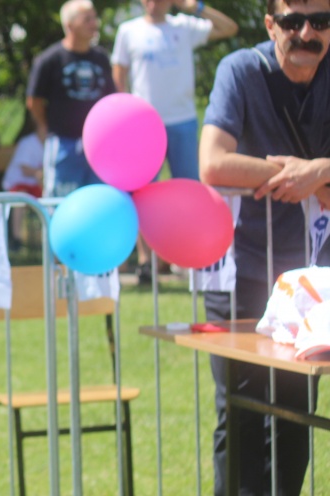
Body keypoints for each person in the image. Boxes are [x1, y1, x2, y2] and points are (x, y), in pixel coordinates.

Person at [198, 0, 330, 496]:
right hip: (240, 270)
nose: (308, 33)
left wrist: (317, 169)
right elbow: (212, 163)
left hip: (310, 281)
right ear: (271, 23)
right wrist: (298, 176)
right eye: (295, 19)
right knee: (241, 412)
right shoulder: (240, 71)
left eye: (322, 21)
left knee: (296, 411)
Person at [112, 0, 238, 284]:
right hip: (145, 123)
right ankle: (146, 261)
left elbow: (229, 28)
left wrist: (195, 7)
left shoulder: (184, 26)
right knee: (142, 192)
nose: (152, 2)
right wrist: (126, 108)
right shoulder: (128, 30)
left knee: (190, 190)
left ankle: (189, 256)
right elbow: (119, 71)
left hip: (182, 120)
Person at [26, 0, 116, 199]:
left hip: (98, 145)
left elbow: (111, 100)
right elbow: (34, 101)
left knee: (99, 199)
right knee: (61, 201)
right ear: (69, 25)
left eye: (94, 18)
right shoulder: (50, 60)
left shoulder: (101, 58)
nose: (94, 23)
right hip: (63, 144)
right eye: (87, 19)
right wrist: (45, 127)